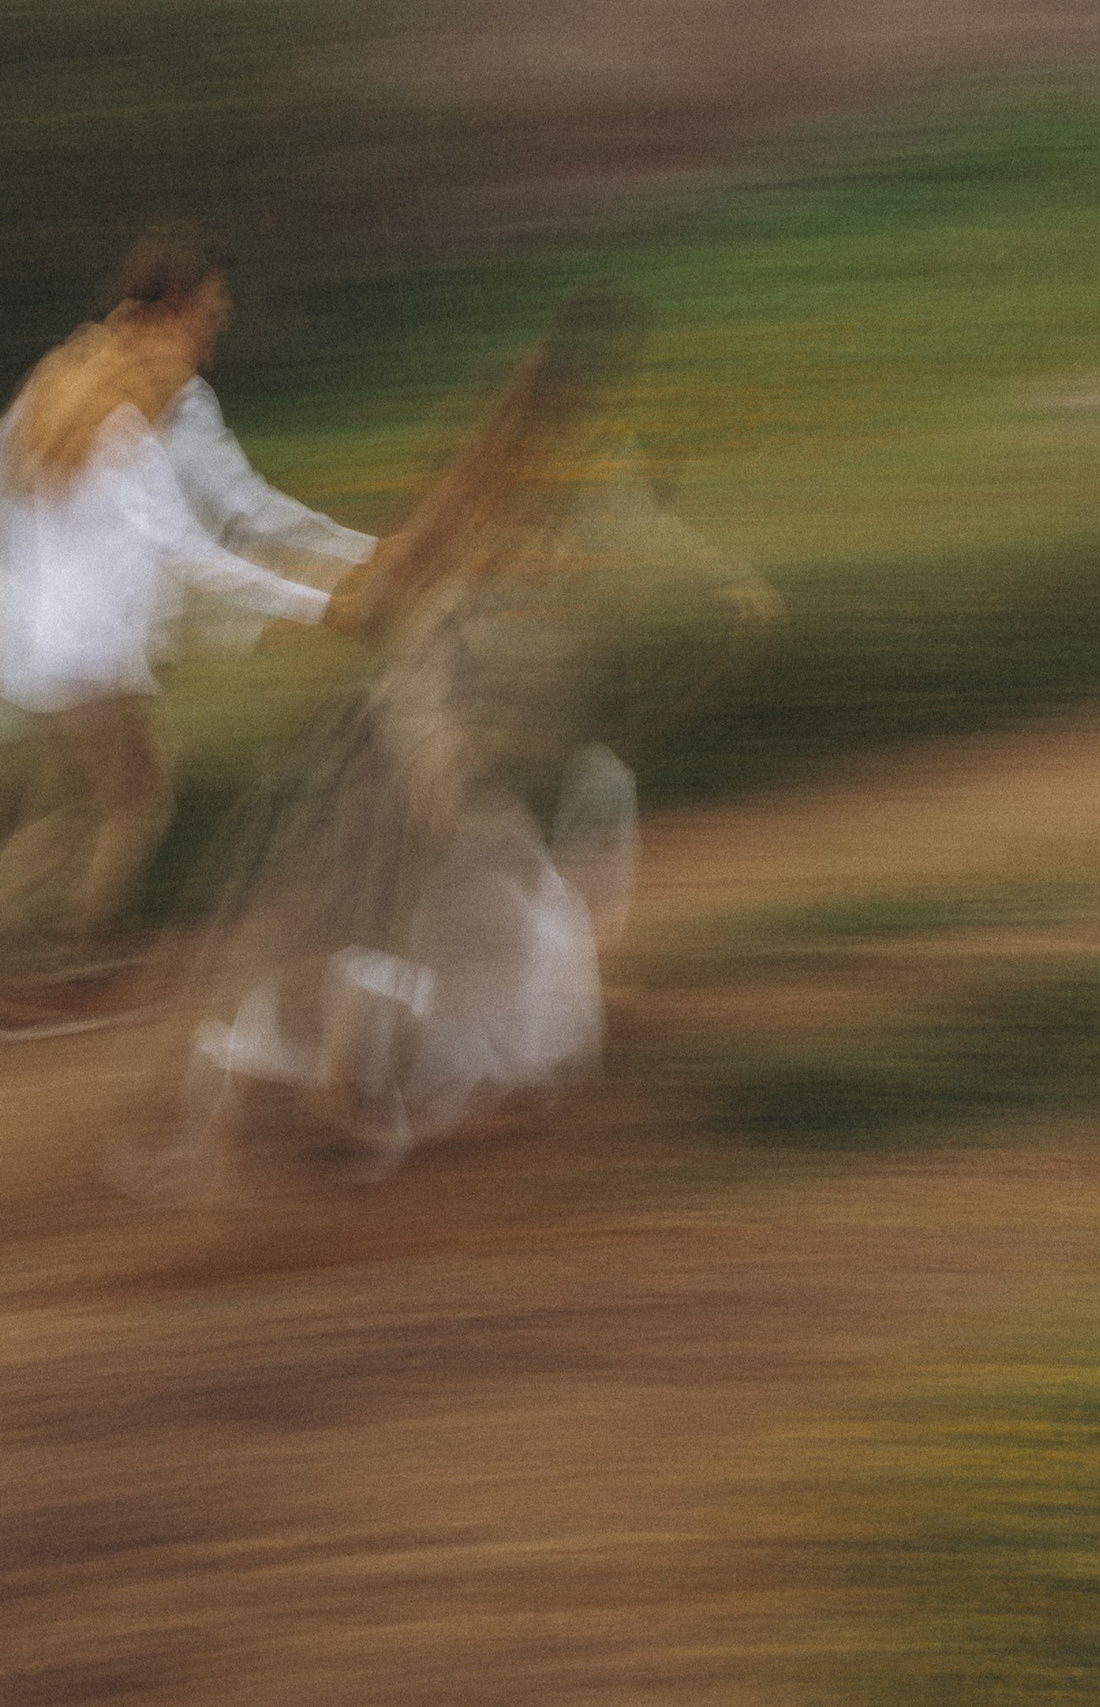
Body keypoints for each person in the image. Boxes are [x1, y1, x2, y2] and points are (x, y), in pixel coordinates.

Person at [117, 282, 780, 1191]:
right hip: (435, 703)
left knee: (440, 883)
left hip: (466, 702)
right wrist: (350, 620)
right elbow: (432, 546)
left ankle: (355, 1075)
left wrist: (723, 579)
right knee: (407, 883)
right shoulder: (518, 457)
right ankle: (330, 1084)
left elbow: (623, 528)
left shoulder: (579, 462)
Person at [0, 228, 376, 1028]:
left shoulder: (64, 388)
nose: (211, 341)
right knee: (107, 808)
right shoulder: (126, 426)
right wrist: (324, 603)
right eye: (208, 317)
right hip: (85, 657)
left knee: (59, 812)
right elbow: (192, 547)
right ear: (169, 314)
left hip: (37, 650)